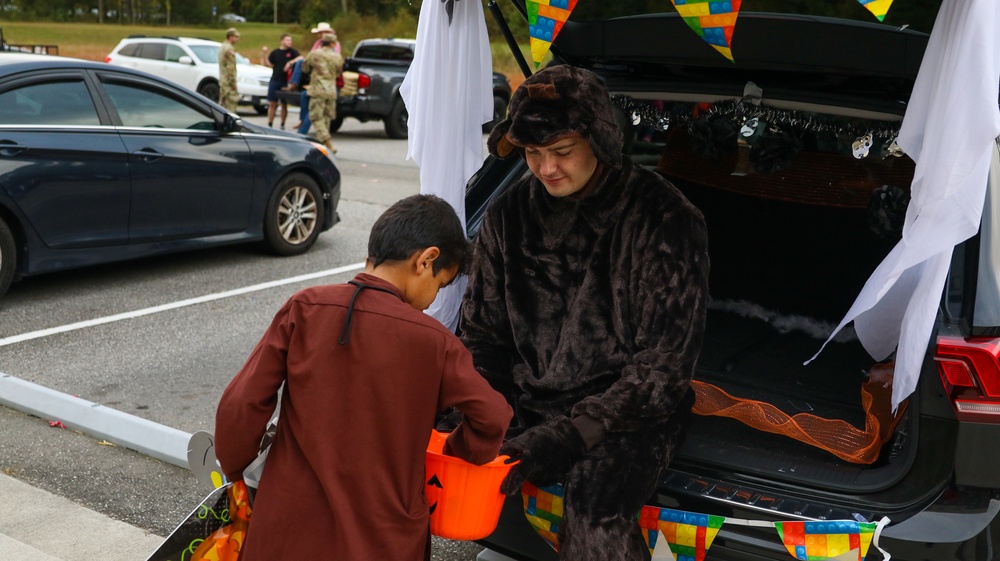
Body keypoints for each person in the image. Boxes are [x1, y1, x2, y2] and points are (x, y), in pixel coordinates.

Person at [460, 65, 710, 561]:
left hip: (628, 412)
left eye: (562, 152)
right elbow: (483, 335)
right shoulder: (508, 213)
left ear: (600, 139)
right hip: (527, 393)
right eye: (533, 153)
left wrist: (572, 435)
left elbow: (663, 369)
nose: (546, 168)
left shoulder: (666, 217)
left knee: (596, 509)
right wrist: (479, 410)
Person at [215, 194, 513, 561]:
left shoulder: (306, 308)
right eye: (440, 285)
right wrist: (458, 451)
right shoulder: (436, 342)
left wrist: (236, 468)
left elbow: (241, 404)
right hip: (384, 538)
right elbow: (493, 415)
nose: (432, 300)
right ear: (426, 260)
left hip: (287, 525)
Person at [302, 33, 344, 153]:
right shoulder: (337, 57)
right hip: (331, 90)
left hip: (318, 90)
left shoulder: (315, 54)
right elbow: (339, 71)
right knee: (326, 117)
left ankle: (327, 142)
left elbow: (305, 68)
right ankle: (323, 146)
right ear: (332, 44)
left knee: (316, 117)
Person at [261, 33, 301, 129]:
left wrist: (290, 62)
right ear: (282, 41)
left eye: (291, 40)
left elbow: (300, 58)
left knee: (284, 104)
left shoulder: (292, 52)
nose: (290, 42)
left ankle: (282, 124)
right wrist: (264, 54)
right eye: (287, 40)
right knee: (272, 103)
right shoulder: (275, 52)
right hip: (275, 79)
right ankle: (270, 123)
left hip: (285, 81)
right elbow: (269, 64)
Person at [217, 28, 240, 113]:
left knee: (223, 104)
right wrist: (233, 83)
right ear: (230, 37)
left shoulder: (223, 46)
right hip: (228, 82)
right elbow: (230, 68)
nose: (237, 39)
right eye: (236, 36)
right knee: (231, 105)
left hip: (223, 80)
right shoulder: (229, 49)